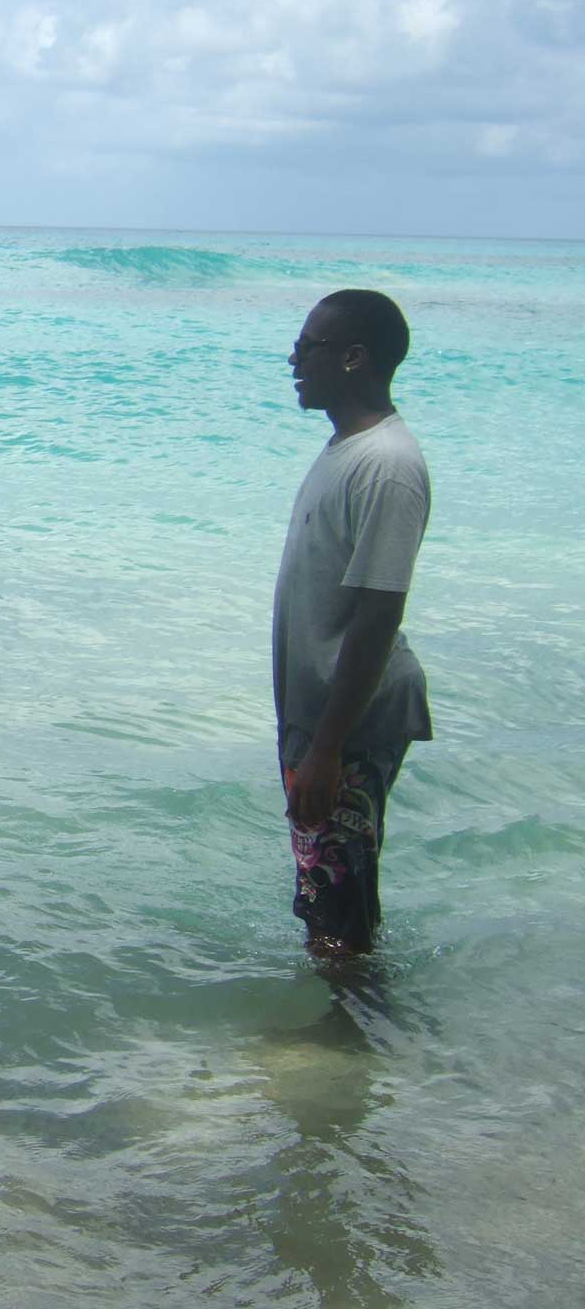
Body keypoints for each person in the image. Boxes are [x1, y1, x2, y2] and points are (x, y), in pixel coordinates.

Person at [273, 289, 432, 958]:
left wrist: (329, 750)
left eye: (309, 346)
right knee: (325, 895)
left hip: (351, 722)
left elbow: (377, 614)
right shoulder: (347, 449)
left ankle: (346, 1043)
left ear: (353, 358)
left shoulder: (387, 467)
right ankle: (358, 1039)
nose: (293, 358)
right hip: (324, 719)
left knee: (336, 907)